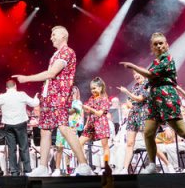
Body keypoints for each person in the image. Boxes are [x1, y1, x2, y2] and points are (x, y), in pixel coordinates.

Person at [13, 25, 93, 176]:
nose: (51, 37)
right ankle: (43, 167)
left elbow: (51, 73)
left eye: (54, 34)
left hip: (59, 96)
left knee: (63, 127)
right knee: (45, 130)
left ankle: (84, 165)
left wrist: (26, 78)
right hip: (49, 96)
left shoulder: (67, 52)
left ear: (64, 35)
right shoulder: (56, 54)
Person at [120, 32, 185, 173]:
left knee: (182, 132)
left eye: (161, 43)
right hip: (154, 101)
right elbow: (149, 79)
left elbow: (150, 75)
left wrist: (133, 66)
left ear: (166, 45)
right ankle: (152, 165)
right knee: (148, 133)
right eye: (155, 44)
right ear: (152, 47)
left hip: (167, 99)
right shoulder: (155, 62)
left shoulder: (167, 59)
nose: (159, 46)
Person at [0, 79, 39, 176]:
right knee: (24, 147)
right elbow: (34, 104)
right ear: (15, 86)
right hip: (21, 124)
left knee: (11, 148)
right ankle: (27, 170)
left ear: (6, 88)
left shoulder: (2, 97)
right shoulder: (21, 94)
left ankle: (14, 171)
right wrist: (36, 98)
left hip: (8, 125)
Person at [115, 71, 149, 174]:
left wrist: (127, 92)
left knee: (148, 143)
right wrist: (130, 100)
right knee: (129, 143)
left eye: (137, 73)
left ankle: (166, 164)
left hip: (143, 114)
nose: (135, 75)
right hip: (133, 115)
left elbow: (140, 98)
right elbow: (129, 101)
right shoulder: (135, 86)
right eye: (134, 74)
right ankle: (125, 169)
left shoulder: (147, 84)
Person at [79, 77, 111, 171]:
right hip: (91, 124)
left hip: (101, 124)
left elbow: (99, 113)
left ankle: (106, 167)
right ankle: (84, 165)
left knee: (105, 146)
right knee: (79, 143)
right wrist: (86, 121)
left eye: (94, 88)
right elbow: (89, 112)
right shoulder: (91, 98)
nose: (92, 90)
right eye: (91, 88)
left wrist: (90, 109)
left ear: (100, 88)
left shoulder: (104, 99)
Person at [52, 86, 84, 176]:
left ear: (77, 93)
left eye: (73, 92)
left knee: (73, 150)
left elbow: (71, 111)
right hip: (61, 126)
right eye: (70, 92)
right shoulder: (62, 102)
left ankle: (73, 169)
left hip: (72, 128)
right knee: (59, 148)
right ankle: (57, 169)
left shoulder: (78, 103)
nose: (71, 94)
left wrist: (61, 108)